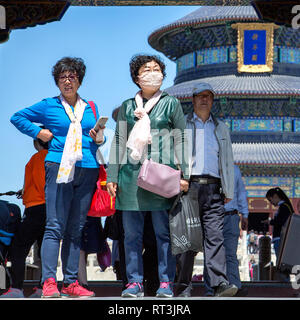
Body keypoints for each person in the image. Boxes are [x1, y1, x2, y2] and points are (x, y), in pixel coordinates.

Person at [10, 57, 105, 298]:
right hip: (58, 166)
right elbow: (17, 117)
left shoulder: (90, 107)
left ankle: (71, 282)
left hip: (88, 166)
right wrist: (38, 131)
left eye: (72, 76)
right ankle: (49, 282)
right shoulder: (48, 105)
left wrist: (99, 138)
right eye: (62, 77)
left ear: (80, 80)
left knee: (76, 228)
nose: (67, 80)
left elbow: (97, 137)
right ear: (57, 82)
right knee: (54, 226)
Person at [106, 54, 189, 298]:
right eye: (147, 69)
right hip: (131, 176)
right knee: (131, 235)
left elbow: (181, 138)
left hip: (161, 176)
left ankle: (165, 282)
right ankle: (134, 282)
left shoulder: (170, 103)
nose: (153, 73)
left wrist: (185, 174)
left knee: (164, 234)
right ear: (136, 77)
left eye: (157, 69)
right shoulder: (127, 107)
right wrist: (113, 175)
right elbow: (119, 139)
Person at [175, 82, 237, 297]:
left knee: (215, 237)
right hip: (188, 187)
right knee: (187, 239)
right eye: (199, 96)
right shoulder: (182, 124)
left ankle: (219, 284)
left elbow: (227, 160)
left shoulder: (220, 127)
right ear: (192, 100)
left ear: (212, 101)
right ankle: (183, 287)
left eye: (208, 96)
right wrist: (179, 178)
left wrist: (228, 189)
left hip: (213, 188)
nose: (203, 99)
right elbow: (173, 155)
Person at [0, 137, 48, 298]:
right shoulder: (56, 157)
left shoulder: (39, 157)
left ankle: (16, 288)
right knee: (45, 249)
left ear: (37, 143)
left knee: (18, 248)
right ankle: (44, 287)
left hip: (36, 208)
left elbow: (42, 182)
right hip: (50, 208)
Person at [203, 164, 249, 297]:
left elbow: (241, 191)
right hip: (211, 216)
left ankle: (235, 287)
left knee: (230, 254)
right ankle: (211, 289)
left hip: (231, 216)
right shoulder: (208, 168)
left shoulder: (234, 169)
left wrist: (244, 214)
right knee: (211, 251)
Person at [264, 187, 294, 260]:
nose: (271, 203)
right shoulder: (284, 206)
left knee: (281, 261)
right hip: (280, 238)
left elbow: (281, 221)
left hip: (281, 238)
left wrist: (270, 222)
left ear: (275, 196)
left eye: (271, 200)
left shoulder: (284, 207)